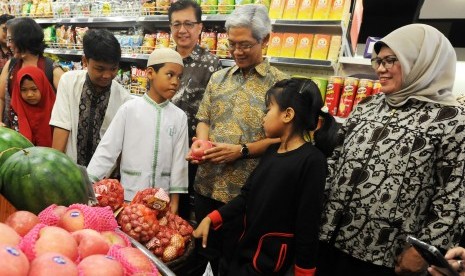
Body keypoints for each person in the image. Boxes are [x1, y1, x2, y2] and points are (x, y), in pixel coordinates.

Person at [317, 24, 465, 275]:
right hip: (330, 236)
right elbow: (336, 159)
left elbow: (454, 198)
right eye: (378, 61)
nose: (380, 69)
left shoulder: (453, 120)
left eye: (391, 60)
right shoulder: (368, 106)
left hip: (389, 256)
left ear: (421, 62)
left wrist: (425, 250)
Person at [193, 78, 339, 276]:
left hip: (269, 261)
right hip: (243, 252)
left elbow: (308, 223)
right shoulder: (272, 151)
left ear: (287, 114)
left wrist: (304, 271)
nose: (263, 116)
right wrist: (212, 219)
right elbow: (246, 196)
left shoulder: (312, 161)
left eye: (268, 109)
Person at [187, 4, 288, 275]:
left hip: (246, 195)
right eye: (232, 44)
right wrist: (201, 143)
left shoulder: (281, 86)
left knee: (235, 263)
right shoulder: (218, 78)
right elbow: (204, 118)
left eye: (245, 45)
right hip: (207, 185)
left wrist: (241, 151)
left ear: (265, 39)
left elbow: (285, 140)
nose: (237, 52)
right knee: (200, 255)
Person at [87, 48, 188, 214]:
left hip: (161, 202)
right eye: (170, 74)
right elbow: (108, 149)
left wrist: (174, 204)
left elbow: (180, 164)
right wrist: (89, 185)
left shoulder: (179, 117)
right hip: (128, 198)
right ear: (150, 73)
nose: (175, 81)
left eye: (179, 77)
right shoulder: (129, 109)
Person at [168, 0, 222, 220]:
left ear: (200, 27)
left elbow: (213, 111)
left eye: (189, 24)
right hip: (163, 145)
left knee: (186, 207)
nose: (182, 30)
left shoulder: (212, 64)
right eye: (176, 24)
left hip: (193, 151)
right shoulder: (163, 60)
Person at [50, 29, 132, 166]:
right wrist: (55, 168)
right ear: (85, 61)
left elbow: (120, 145)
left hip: (104, 178)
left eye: (113, 69)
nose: (107, 75)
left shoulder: (124, 98)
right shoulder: (68, 82)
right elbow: (62, 126)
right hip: (71, 169)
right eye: (100, 69)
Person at [0, 17, 64, 128]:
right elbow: (0, 97)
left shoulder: (52, 69)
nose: (8, 45)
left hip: (46, 135)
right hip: (16, 136)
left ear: (23, 39)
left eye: (11, 40)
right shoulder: (11, 65)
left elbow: (67, 104)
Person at [10, 66, 55, 147]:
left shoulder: (54, 107)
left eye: (34, 89)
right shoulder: (16, 108)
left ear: (43, 87)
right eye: (24, 90)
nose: (29, 95)